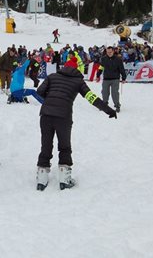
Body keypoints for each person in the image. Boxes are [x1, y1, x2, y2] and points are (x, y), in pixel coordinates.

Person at [35, 56, 117, 191]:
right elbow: (91, 98)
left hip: (46, 114)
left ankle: (42, 179)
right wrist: (108, 110)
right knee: (64, 146)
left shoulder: (52, 76)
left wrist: (50, 100)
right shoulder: (78, 81)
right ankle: (64, 179)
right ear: (76, 69)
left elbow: (39, 92)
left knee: (46, 144)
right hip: (63, 116)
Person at [96, 46, 126, 113]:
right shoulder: (103, 59)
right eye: (107, 52)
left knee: (114, 93)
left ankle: (117, 105)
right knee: (104, 92)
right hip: (106, 78)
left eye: (110, 52)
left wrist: (124, 77)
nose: (109, 53)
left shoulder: (118, 59)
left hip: (115, 79)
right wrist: (98, 75)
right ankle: (104, 104)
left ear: (113, 51)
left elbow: (121, 69)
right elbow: (101, 67)